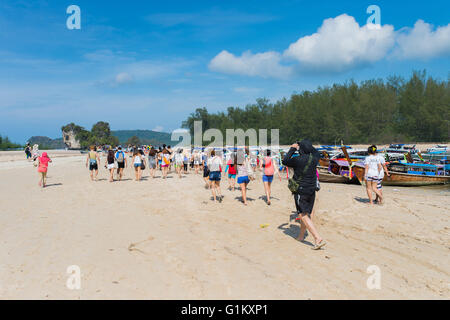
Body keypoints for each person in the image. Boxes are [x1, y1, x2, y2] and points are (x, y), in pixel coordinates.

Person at [282, 140, 326, 250]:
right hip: (311, 190)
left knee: (302, 214)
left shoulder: (297, 159)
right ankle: (301, 236)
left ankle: (317, 238)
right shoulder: (314, 158)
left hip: (301, 190)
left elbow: (285, 161)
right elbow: (317, 153)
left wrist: (293, 148)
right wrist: (308, 146)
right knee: (307, 214)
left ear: (301, 149)